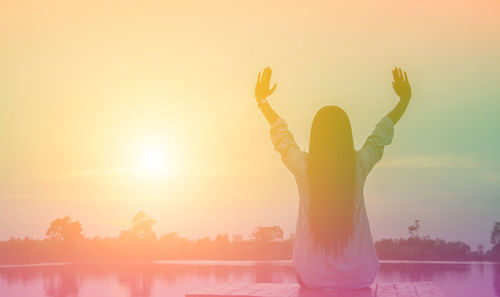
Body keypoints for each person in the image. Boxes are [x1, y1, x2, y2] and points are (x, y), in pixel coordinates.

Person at [254, 66, 412, 290]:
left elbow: (282, 136)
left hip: (313, 279)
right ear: (346, 135)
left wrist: (263, 102)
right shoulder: (358, 165)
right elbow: (381, 133)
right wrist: (403, 101)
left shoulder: (304, 167)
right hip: (360, 278)